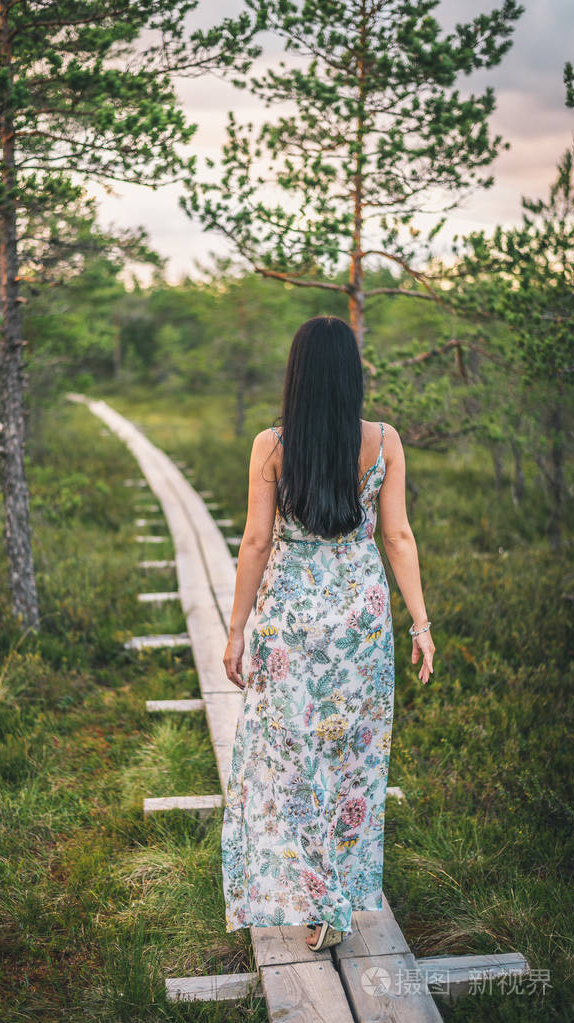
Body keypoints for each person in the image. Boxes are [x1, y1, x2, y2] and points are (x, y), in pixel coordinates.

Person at [220, 315, 435, 952]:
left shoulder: (272, 445)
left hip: (288, 623)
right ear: (351, 375)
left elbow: (257, 540)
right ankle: (338, 895)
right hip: (361, 624)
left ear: (298, 376)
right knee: (352, 762)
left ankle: (318, 892)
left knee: (290, 761)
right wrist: (420, 624)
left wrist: (235, 632)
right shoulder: (385, 441)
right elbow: (397, 535)